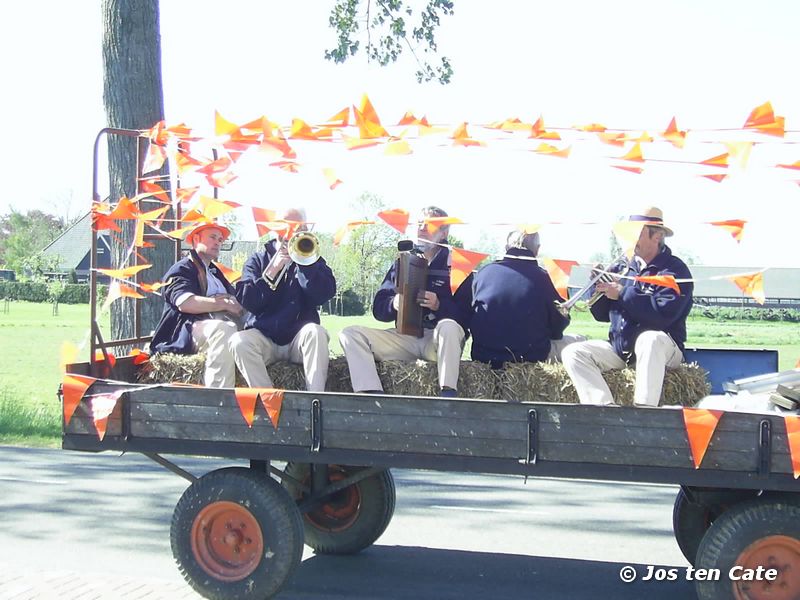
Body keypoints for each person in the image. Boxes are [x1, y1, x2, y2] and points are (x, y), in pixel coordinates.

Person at [561, 207, 694, 407]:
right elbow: (602, 315)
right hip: (621, 350)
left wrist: (622, 293)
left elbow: (662, 317)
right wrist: (598, 286)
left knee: (650, 339)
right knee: (573, 353)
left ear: (657, 236)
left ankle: (643, 411)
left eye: (637, 234)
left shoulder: (675, 270)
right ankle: (604, 411)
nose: (630, 240)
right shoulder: (622, 267)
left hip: (664, 350)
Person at [339, 206, 467, 397]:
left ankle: (447, 395)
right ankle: (372, 395)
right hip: (405, 338)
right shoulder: (403, 261)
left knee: (448, 326)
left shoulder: (459, 264)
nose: (421, 229)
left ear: (444, 233)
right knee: (350, 334)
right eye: (419, 224)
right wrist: (394, 304)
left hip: (438, 342)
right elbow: (379, 309)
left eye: (429, 225)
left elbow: (468, 318)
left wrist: (439, 305)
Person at [230, 208, 335, 391]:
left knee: (316, 332)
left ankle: (315, 401)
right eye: (287, 226)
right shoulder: (256, 260)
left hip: (299, 339)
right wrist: (272, 270)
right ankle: (269, 402)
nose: (293, 231)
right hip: (264, 337)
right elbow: (249, 301)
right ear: (275, 228)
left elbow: (323, 295)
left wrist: (306, 265)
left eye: (298, 227)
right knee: (239, 342)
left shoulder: (314, 260)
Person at [464, 230, 585, 368]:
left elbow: (470, 315)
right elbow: (557, 329)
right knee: (581, 342)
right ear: (537, 250)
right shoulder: (548, 279)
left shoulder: (483, 273)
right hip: (532, 355)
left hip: (484, 356)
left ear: (506, 248)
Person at [150, 220, 245, 387]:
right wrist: (223, 304)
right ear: (195, 239)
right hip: (185, 330)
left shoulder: (215, 272)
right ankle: (219, 397)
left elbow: (236, 299)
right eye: (213, 237)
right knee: (224, 330)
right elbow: (185, 303)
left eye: (220, 239)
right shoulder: (182, 269)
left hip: (210, 327)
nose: (217, 242)